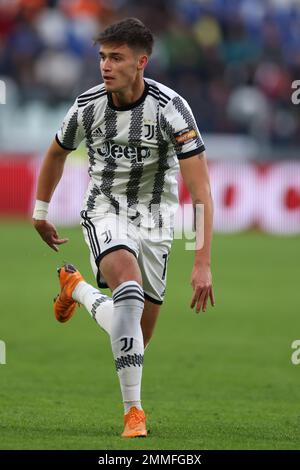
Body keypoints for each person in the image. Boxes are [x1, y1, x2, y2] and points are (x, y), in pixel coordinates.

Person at [32, 17, 215, 438]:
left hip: (156, 223)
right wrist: (41, 209)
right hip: (105, 211)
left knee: (132, 331)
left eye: (116, 58)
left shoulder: (172, 109)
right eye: (102, 57)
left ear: (141, 62)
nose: (105, 66)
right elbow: (56, 153)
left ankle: (75, 288)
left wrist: (202, 262)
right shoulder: (87, 106)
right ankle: (134, 413)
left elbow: (201, 191)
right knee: (128, 293)